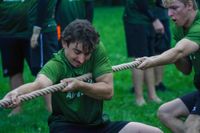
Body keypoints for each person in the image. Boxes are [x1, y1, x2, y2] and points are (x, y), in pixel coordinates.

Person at [3, 19, 163, 133]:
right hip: (66, 127)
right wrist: (17, 92)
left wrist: (80, 85)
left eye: (87, 54)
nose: (81, 59)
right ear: (65, 43)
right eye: (77, 52)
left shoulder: (97, 49)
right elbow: (39, 84)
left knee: (153, 131)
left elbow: (108, 91)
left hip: (97, 125)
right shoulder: (57, 63)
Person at [136, 0, 200, 132]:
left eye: (174, 8)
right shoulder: (180, 28)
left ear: (189, 5)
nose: (169, 14)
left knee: (192, 124)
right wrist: (174, 58)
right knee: (165, 112)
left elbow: (179, 51)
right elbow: (186, 69)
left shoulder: (198, 26)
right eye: (168, 9)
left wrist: (153, 61)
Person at [123, 0, 163, 106]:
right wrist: (154, 19)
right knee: (139, 58)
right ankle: (139, 98)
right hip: (135, 20)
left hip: (146, 21)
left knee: (148, 57)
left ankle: (152, 95)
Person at [151, 0, 171, 91]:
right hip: (156, 15)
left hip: (160, 15)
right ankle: (156, 83)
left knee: (160, 49)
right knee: (157, 49)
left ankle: (158, 82)